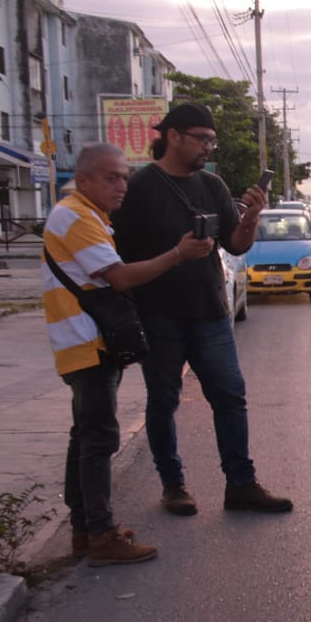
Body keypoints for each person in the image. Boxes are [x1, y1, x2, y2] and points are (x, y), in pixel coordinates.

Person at [112, 102, 293, 516]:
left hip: (210, 310)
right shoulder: (140, 189)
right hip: (158, 314)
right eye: (202, 139)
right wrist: (175, 255)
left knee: (230, 396)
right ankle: (173, 485)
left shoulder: (212, 185)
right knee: (163, 400)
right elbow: (118, 260)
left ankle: (241, 484)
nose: (209, 147)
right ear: (173, 136)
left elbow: (237, 244)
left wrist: (252, 217)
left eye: (213, 140)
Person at [42, 143, 214, 565]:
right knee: (99, 438)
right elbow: (119, 278)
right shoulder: (76, 217)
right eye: (111, 178)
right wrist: (177, 254)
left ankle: (85, 529)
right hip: (87, 343)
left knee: (84, 435)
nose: (122, 185)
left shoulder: (90, 216)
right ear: (83, 182)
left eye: (123, 176)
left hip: (86, 341)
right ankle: (101, 535)